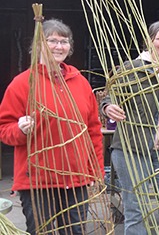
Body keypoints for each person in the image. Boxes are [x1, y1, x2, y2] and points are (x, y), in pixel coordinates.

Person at [0, 19, 104, 234]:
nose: (59, 46)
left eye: (64, 41)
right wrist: (20, 130)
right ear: (38, 45)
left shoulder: (80, 82)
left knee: (74, 231)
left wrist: (96, 171)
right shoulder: (22, 83)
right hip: (38, 180)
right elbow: (5, 130)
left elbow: (93, 130)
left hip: (76, 179)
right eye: (52, 41)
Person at [103, 21, 159, 234]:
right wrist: (108, 107)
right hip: (133, 149)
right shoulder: (132, 68)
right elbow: (110, 96)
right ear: (149, 42)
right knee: (137, 209)